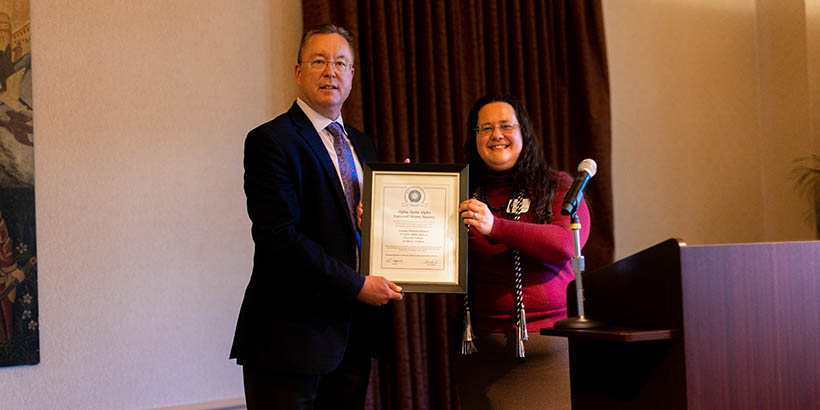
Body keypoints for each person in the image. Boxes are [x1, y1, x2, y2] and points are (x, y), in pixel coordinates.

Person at [230, 24, 403, 410]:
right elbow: (280, 237)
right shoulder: (271, 141)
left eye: (341, 63)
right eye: (319, 61)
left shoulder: (363, 144)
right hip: (288, 339)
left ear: (353, 75)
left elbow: (355, 228)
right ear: (298, 72)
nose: (331, 71)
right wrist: (357, 284)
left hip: (353, 337)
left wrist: (394, 213)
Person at [455, 94, 591, 410]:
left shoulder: (558, 186)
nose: (496, 135)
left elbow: (563, 244)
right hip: (482, 354)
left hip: (549, 352)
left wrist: (495, 227)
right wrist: (387, 214)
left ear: (523, 133)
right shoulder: (460, 191)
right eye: (485, 128)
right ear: (474, 138)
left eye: (506, 126)